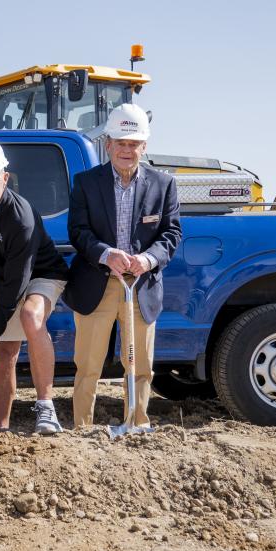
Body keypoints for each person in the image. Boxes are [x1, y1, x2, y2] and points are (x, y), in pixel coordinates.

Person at [63, 103, 182, 429]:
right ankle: (82, 430)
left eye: (134, 144)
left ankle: (136, 426)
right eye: (121, 143)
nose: (127, 150)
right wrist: (105, 254)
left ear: (144, 146)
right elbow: (78, 231)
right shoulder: (86, 183)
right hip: (96, 284)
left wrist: (147, 259)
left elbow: (171, 234)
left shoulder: (163, 185)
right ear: (108, 144)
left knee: (141, 365)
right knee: (88, 365)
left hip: (140, 287)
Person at [0, 136, 70, 434]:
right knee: (6, 352)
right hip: (8, 281)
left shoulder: (21, 217)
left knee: (30, 316)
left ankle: (46, 409)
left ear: (4, 177)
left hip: (42, 275)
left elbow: (19, 282)